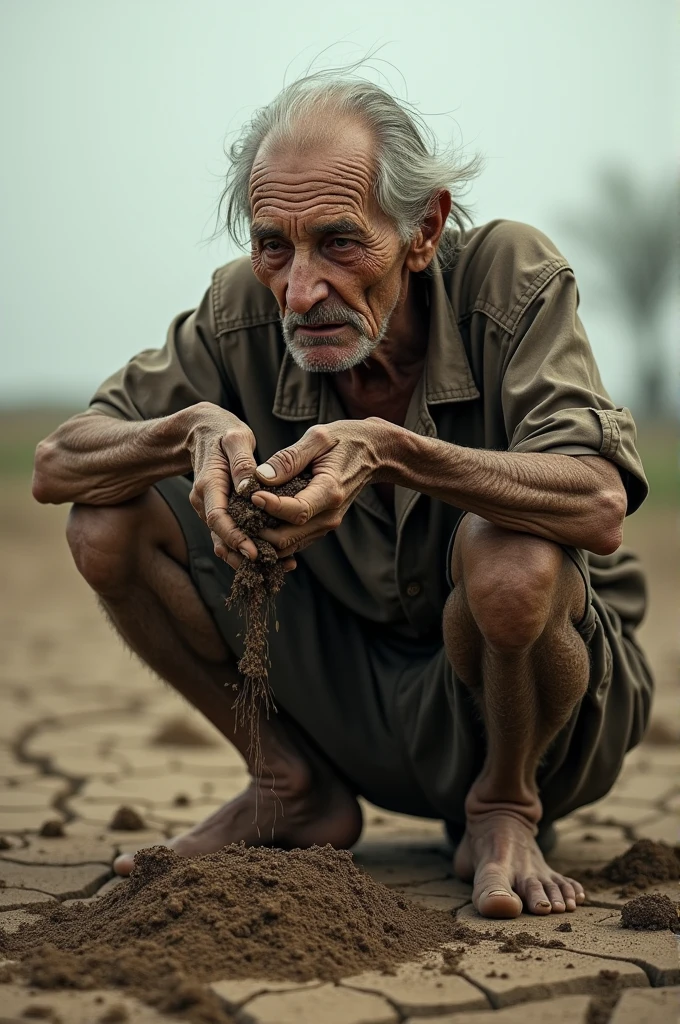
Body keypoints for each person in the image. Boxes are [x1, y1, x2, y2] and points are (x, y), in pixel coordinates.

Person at [32, 74, 652, 920]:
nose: (298, 290)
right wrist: (187, 431)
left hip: (540, 716)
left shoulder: (512, 278)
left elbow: (598, 503)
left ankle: (504, 810)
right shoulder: (239, 310)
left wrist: (393, 452)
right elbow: (58, 464)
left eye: (338, 243)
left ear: (423, 230)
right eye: (273, 246)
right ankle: (284, 781)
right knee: (108, 519)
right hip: (343, 697)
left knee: (510, 560)